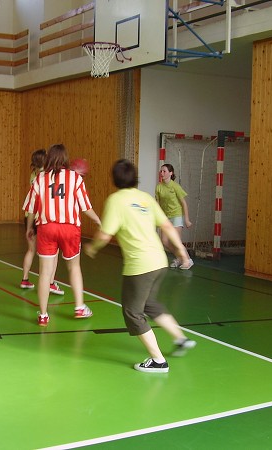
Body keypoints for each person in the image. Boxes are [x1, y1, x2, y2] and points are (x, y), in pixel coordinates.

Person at [85, 159, 196, 373]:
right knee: (149, 304)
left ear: (115, 179)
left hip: (140, 266)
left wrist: (92, 248)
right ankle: (180, 338)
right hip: (159, 261)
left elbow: (105, 234)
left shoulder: (116, 200)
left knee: (133, 312)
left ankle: (158, 360)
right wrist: (181, 250)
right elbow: (166, 225)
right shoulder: (145, 198)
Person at [22, 143, 101, 326]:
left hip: (46, 228)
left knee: (45, 272)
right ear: (66, 159)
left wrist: (29, 227)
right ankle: (79, 307)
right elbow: (85, 206)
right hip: (70, 228)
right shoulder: (75, 178)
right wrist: (98, 220)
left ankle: (43, 315)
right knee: (74, 267)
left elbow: (31, 208)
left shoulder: (40, 179)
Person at [20, 149, 63, 295]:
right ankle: (50, 282)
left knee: (31, 250)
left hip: (29, 215)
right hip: (42, 217)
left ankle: (25, 279)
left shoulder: (34, 174)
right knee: (52, 252)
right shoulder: (47, 175)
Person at [155, 163, 194, 269]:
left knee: (176, 240)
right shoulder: (159, 187)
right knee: (165, 241)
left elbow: (183, 203)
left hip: (176, 215)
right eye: (161, 171)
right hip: (165, 217)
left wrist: (186, 219)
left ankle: (188, 260)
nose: (162, 173)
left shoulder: (175, 186)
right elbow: (157, 204)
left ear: (170, 173)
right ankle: (179, 258)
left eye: (164, 171)